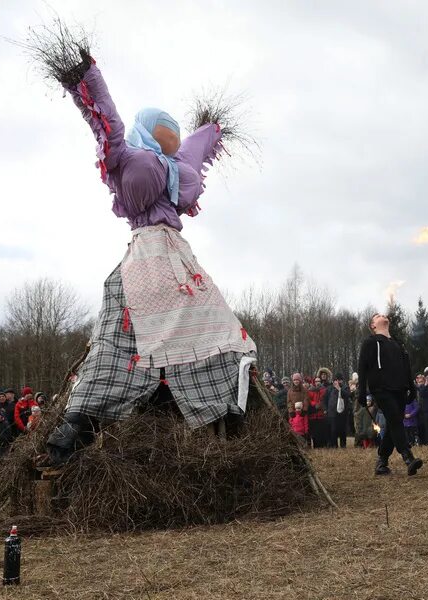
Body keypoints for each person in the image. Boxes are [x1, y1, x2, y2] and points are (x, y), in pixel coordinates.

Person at [36, 33, 258, 465]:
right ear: (151, 132)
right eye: (166, 132)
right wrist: (87, 78)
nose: (173, 140)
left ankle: (221, 436)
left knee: (210, 332)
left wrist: (212, 129)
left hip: (176, 257)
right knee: (118, 344)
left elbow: (197, 148)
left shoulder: (176, 168)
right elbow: (105, 121)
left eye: (175, 135)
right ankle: (68, 441)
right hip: (144, 259)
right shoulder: (131, 157)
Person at [357, 313, 423, 476]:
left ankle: (382, 462)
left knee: (395, 423)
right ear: (373, 325)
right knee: (394, 419)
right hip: (381, 388)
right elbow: (362, 367)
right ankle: (408, 457)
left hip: (399, 388)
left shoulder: (397, 344)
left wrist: (412, 387)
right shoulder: (370, 342)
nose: (383, 315)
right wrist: (361, 392)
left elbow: (406, 367)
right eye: (378, 315)